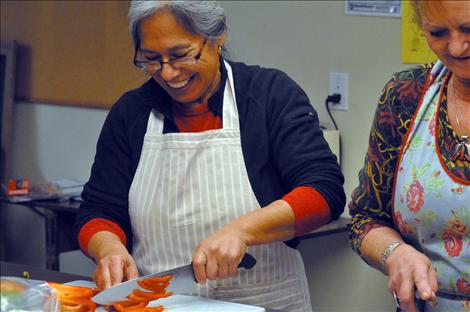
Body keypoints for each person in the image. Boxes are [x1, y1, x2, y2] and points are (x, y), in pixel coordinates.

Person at [74, 1, 345, 311]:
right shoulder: (131, 112)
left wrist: (242, 231)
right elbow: (99, 208)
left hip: (264, 302)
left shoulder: (269, 95)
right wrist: (108, 249)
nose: (167, 72)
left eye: (180, 55)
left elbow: (324, 192)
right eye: (151, 59)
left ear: (218, 37)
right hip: (159, 304)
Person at [348, 1, 469, 311]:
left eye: (469, 29)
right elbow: (366, 217)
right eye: (438, 32)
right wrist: (395, 252)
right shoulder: (405, 97)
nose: (456, 47)